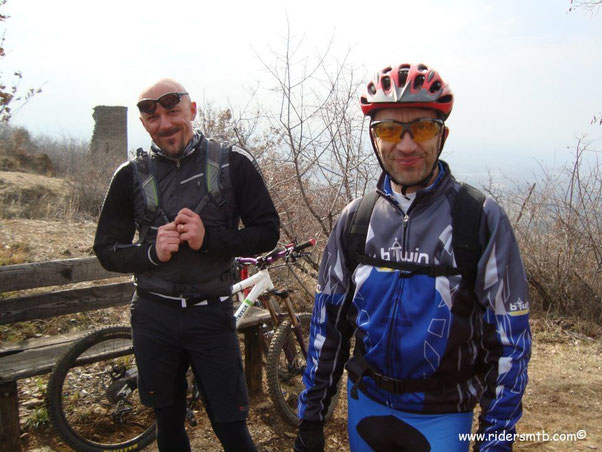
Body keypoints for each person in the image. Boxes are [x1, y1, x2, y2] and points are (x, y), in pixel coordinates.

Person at [294, 63, 531, 451]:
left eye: (421, 128)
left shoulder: (478, 218)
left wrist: (496, 439)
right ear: (374, 138)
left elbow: (510, 343)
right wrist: (310, 417)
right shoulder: (356, 219)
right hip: (365, 404)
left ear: (443, 135)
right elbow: (327, 329)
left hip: (442, 413)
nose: (406, 145)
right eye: (389, 129)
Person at [94, 78, 280, 452]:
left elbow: (266, 232)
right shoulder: (130, 175)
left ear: (192, 111)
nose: (164, 124)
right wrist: (151, 252)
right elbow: (106, 250)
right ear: (145, 123)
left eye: (172, 112)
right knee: (168, 421)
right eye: (153, 117)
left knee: (231, 423)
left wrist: (208, 239)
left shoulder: (232, 163)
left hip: (210, 314)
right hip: (154, 316)